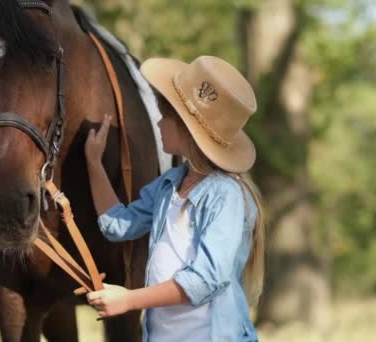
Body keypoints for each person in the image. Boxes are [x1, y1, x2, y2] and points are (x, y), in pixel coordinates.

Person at [83, 56, 265, 342]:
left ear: (186, 128)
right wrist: (94, 163)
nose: (158, 122)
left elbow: (205, 280)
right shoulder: (170, 184)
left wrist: (130, 300)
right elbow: (117, 225)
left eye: (165, 116)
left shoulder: (226, 196)